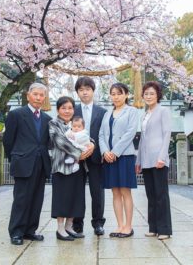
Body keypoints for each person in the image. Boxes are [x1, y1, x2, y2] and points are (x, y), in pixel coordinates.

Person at [3, 82, 52, 246]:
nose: (38, 97)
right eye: (35, 94)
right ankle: (16, 232)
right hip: (23, 161)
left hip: (41, 163)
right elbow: (8, 141)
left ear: (44, 98)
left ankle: (30, 230)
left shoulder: (47, 118)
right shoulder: (16, 114)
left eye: (41, 95)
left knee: (37, 199)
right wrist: (15, 158)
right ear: (28, 95)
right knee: (21, 199)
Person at [49, 96, 94, 241]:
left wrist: (92, 145)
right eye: (63, 108)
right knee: (63, 197)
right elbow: (60, 142)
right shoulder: (54, 123)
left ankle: (69, 226)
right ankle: (60, 229)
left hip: (78, 167)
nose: (67, 111)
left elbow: (86, 136)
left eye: (70, 108)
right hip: (62, 166)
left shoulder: (75, 123)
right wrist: (79, 154)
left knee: (76, 197)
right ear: (58, 109)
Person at [99, 82, 139, 238]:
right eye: (113, 94)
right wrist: (105, 152)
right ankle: (119, 225)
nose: (115, 97)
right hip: (108, 158)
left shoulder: (132, 111)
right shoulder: (107, 113)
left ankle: (128, 226)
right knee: (115, 192)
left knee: (125, 191)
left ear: (126, 95)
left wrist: (115, 152)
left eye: (119, 93)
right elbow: (101, 135)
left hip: (124, 156)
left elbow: (130, 133)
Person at [135, 81, 172, 240]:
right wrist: (138, 161)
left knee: (161, 195)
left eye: (152, 93)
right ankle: (153, 227)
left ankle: (164, 229)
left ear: (158, 95)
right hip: (146, 159)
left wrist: (162, 157)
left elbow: (167, 134)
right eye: (146, 94)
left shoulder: (163, 111)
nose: (148, 96)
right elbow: (142, 139)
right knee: (150, 195)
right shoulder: (145, 114)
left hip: (158, 158)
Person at [73, 76, 107, 236]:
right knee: (77, 191)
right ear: (77, 93)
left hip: (96, 157)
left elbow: (105, 135)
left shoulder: (103, 112)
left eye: (87, 89)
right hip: (76, 158)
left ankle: (98, 223)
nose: (84, 92)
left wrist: (95, 148)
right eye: (81, 90)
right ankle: (77, 223)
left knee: (97, 192)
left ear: (93, 91)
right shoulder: (72, 110)